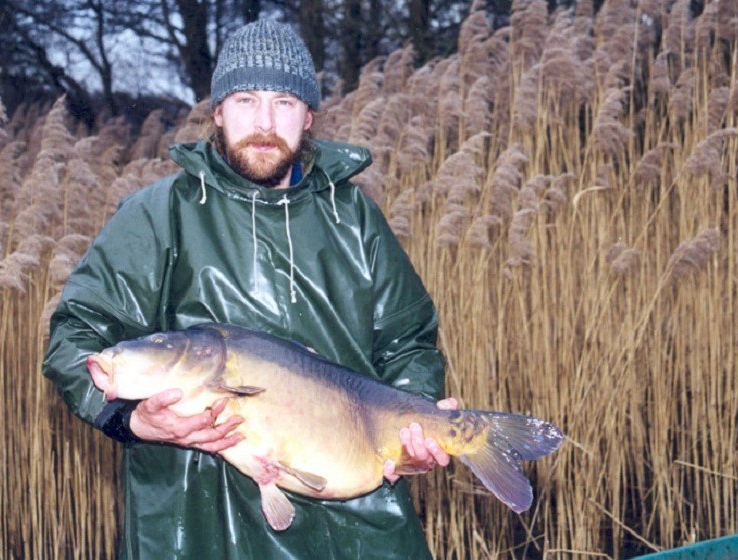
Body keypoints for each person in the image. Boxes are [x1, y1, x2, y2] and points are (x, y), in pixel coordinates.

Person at [43, 19, 455, 559]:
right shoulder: (158, 214)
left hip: (350, 518)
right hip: (192, 523)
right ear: (217, 113)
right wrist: (132, 418)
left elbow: (410, 341)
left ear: (308, 117)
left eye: (284, 102)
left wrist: (414, 429)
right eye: (245, 100)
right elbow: (74, 335)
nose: (264, 123)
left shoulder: (356, 219)